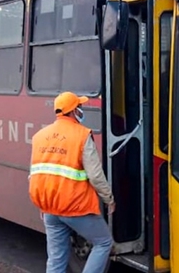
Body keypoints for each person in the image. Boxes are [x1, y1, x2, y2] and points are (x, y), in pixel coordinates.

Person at [29, 91, 115, 273]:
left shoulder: (40, 136)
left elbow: (37, 174)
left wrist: (42, 206)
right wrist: (109, 199)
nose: (81, 110)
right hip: (75, 207)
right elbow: (96, 175)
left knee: (56, 259)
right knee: (103, 242)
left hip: (49, 209)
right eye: (80, 107)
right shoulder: (82, 136)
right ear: (74, 111)